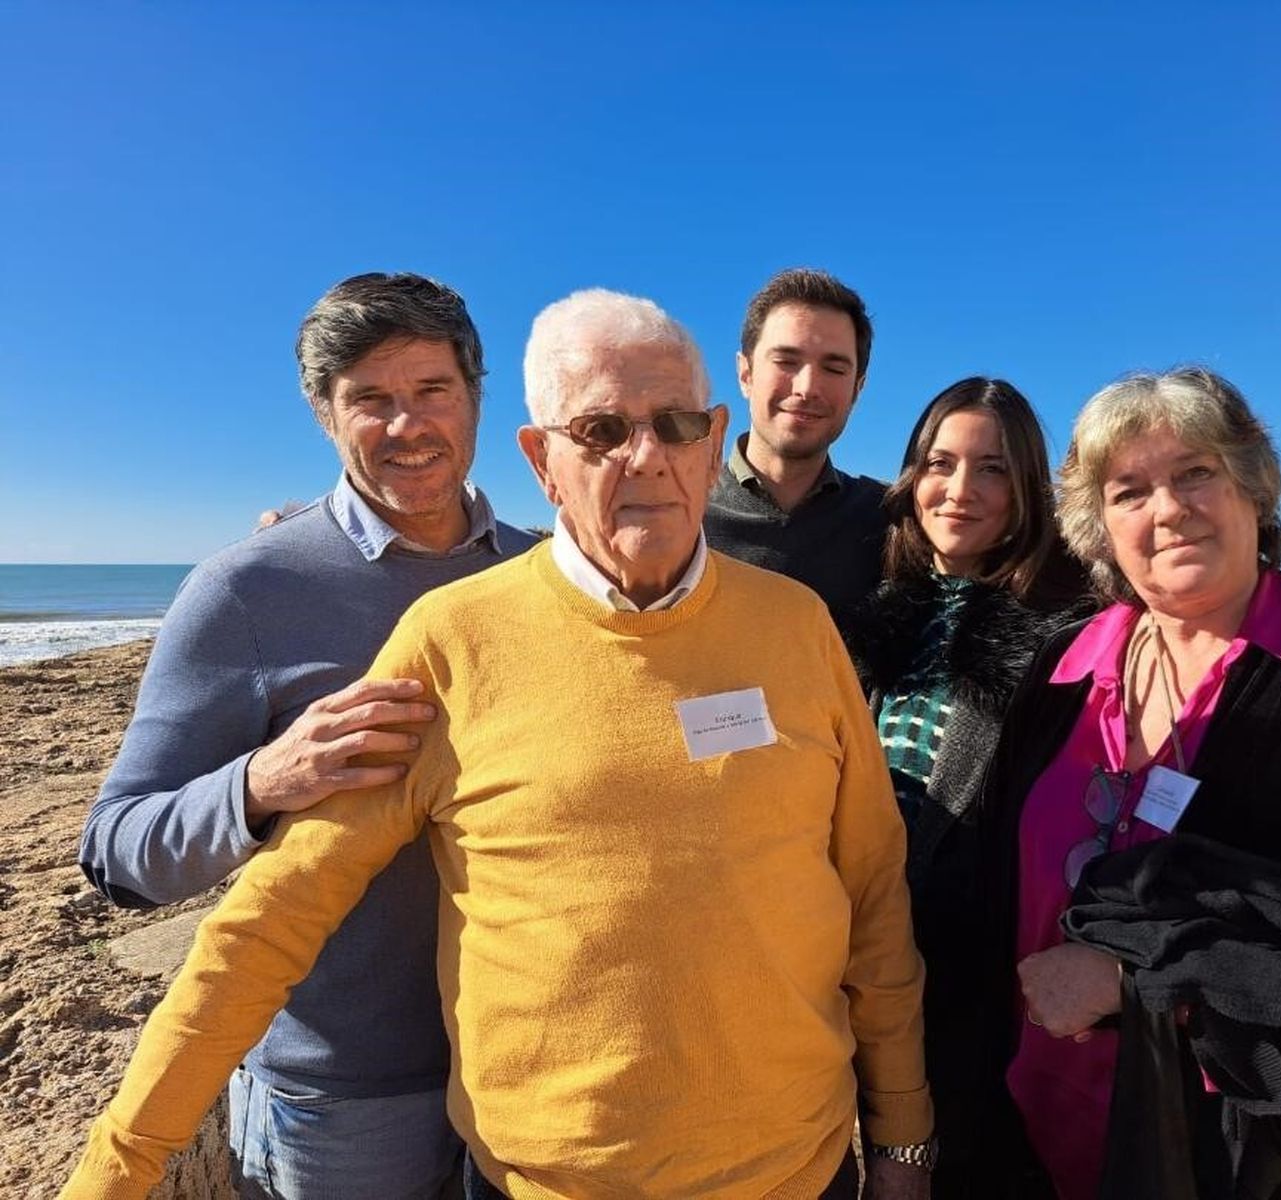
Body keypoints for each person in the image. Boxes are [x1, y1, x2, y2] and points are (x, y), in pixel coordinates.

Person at [64, 290, 934, 1200]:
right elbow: (270, 922)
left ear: (715, 441)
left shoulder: (796, 625)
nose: (646, 456)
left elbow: (872, 893)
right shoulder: (450, 637)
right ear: (542, 460)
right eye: (601, 430)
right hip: (528, 1174)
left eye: (676, 425)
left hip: (801, 1170)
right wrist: (114, 1170)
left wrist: (904, 1135)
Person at [77, 273, 537, 1199]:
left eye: (432, 390)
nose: (407, 425)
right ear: (325, 415)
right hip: (344, 1095)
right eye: (370, 399)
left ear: (476, 397)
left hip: (531, 1062)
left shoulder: (543, 574)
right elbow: (118, 853)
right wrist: (260, 782)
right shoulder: (248, 590)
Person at [980, 368, 1281, 1199]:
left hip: (1237, 1155)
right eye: (1129, 492)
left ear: (1252, 486)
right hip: (1038, 1129)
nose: (1167, 510)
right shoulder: (1061, 667)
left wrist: (1134, 985)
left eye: (1194, 472)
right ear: (1100, 526)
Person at [847, 378, 1090, 1196]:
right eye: (940, 464)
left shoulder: (1068, 634)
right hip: (873, 962)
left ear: (1026, 492)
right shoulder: (885, 612)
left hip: (983, 992)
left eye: (992, 470)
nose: (960, 490)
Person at [703, 267, 888, 628]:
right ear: (745, 373)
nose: (807, 387)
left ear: (858, 388)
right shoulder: (683, 516)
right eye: (786, 361)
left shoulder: (890, 523)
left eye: (834, 368)